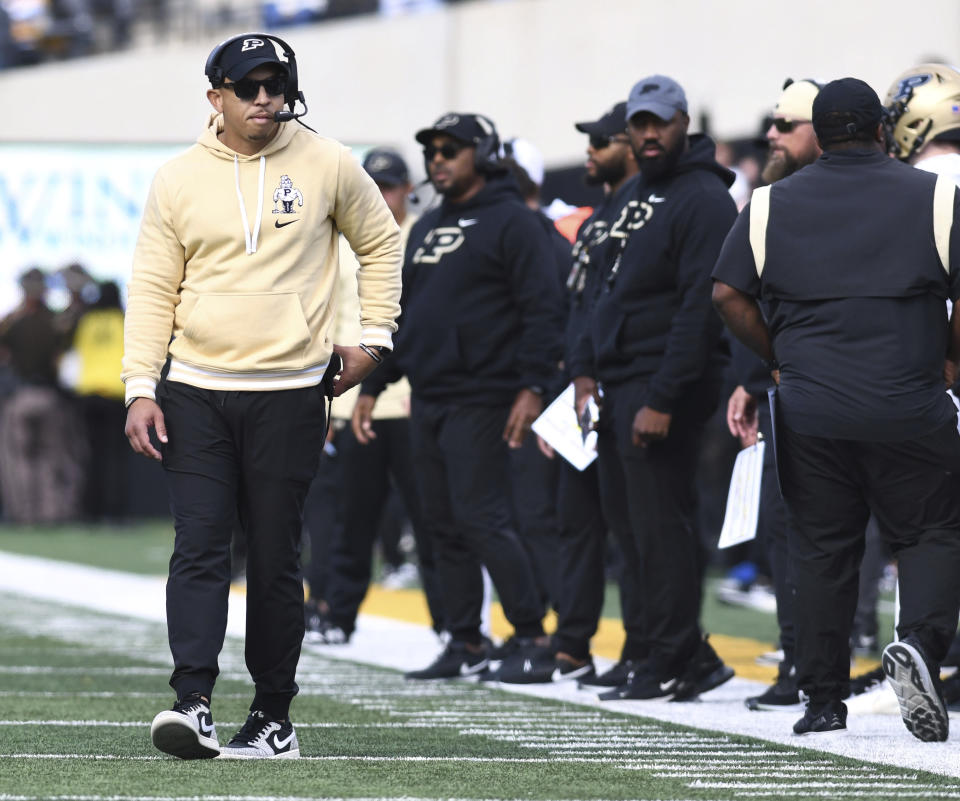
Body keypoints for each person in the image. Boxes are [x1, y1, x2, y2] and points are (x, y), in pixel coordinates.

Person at [122, 32, 402, 760]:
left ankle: (274, 716)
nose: (264, 99)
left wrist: (374, 339)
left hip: (289, 391)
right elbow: (153, 287)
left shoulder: (330, 161)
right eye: (248, 86)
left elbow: (381, 242)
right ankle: (193, 702)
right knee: (201, 545)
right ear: (215, 96)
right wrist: (139, 387)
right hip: (194, 390)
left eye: (276, 84)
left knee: (276, 555)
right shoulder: (176, 178)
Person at [712, 77, 960, 740]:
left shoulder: (769, 204)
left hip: (811, 405)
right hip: (909, 396)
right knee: (930, 530)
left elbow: (727, 294)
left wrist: (778, 356)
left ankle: (821, 698)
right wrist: (950, 355)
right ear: (882, 128)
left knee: (823, 549)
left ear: (819, 136)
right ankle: (923, 645)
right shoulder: (936, 194)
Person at [357, 112, 564, 682]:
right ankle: (465, 639)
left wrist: (533, 387)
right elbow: (406, 317)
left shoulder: (514, 223)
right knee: (440, 524)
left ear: (485, 153)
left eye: (452, 148)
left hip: (487, 394)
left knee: (482, 519)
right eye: (432, 150)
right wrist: (374, 385)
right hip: (430, 396)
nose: (438, 159)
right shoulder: (426, 228)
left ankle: (530, 637)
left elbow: (544, 311)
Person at [569, 76, 737, 701]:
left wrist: (664, 397)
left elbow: (700, 307)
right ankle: (649, 647)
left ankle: (673, 656)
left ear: (683, 123)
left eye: (659, 123)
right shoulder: (634, 192)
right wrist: (585, 371)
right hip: (617, 380)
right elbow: (596, 288)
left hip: (660, 382)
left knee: (660, 528)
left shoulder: (703, 197)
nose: (647, 134)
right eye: (639, 123)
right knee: (629, 526)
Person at [307, 147, 445, 644]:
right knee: (352, 519)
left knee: (430, 519)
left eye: (390, 186)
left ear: (408, 188)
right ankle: (337, 613)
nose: (382, 195)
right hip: (352, 402)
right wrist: (327, 400)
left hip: (410, 398)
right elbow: (332, 319)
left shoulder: (426, 237)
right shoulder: (343, 240)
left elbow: (424, 324)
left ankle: (451, 624)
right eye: (374, 185)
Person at [723, 78, 822, 711]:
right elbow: (739, 294)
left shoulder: (890, 191)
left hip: (878, 389)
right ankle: (806, 664)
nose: (772, 134)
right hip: (797, 388)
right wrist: (757, 375)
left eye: (787, 124)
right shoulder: (767, 199)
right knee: (796, 532)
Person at [547, 101, 644, 686]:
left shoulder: (647, 210)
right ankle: (574, 642)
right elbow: (580, 308)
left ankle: (647, 645)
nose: (591, 150)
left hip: (631, 384)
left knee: (638, 527)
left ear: (631, 146)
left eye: (603, 141)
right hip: (585, 390)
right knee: (577, 521)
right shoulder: (602, 213)